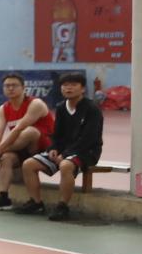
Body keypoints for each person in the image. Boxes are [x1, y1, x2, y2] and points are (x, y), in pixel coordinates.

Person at [19, 72, 104, 222]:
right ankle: (36, 203)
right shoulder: (61, 107)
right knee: (28, 164)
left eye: (73, 85)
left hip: (87, 151)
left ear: (83, 89)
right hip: (63, 151)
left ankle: (62, 206)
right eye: (65, 85)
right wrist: (53, 148)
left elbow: (88, 139)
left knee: (65, 165)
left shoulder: (92, 109)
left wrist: (65, 155)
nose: (68, 88)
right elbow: (56, 134)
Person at [0, 74, 52, 211]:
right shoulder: (3, 109)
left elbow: (19, 128)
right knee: (6, 158)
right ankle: (3, 197)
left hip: (46, 148)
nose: (10, 88)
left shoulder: (36, 104)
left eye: (14, 85)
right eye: (7, 86)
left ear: (24, 88)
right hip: (22, 147)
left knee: (29, 131)